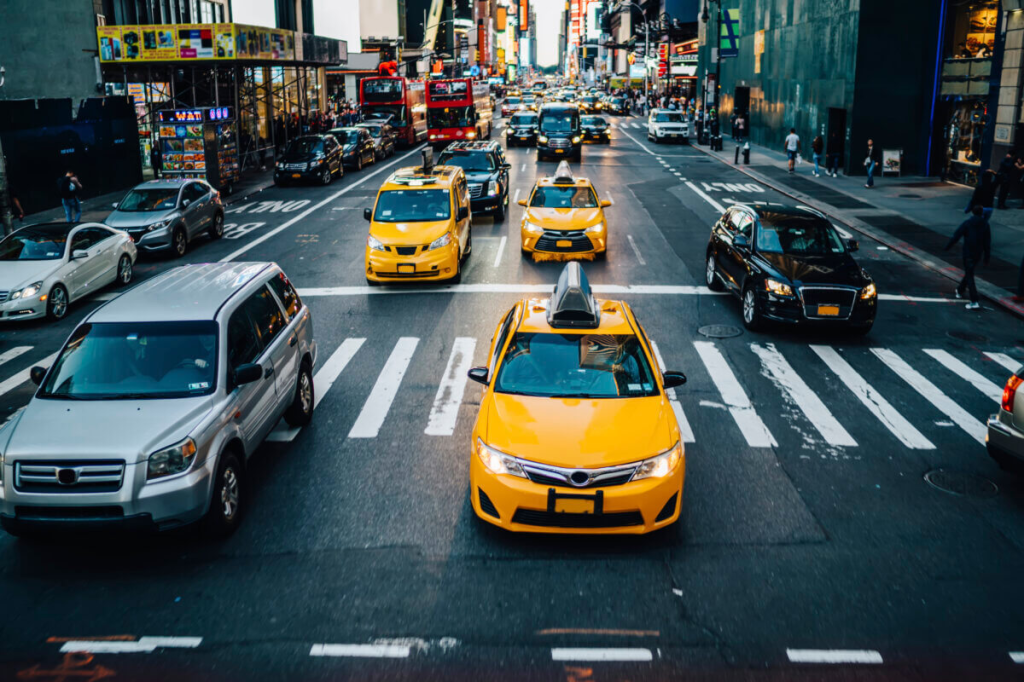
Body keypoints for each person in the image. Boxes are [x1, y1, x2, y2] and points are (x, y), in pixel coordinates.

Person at [945, 204, 991, 310]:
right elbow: (987, 243)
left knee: (970, 275)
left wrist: (947, 247)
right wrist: (986, 258)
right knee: (969, 272)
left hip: (968, 252)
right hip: (978, 254)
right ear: (981, 213)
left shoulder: (968, 223)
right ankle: (960, 290)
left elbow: (956, 235)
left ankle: (974, 300)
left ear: (973, 212)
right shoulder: (985, 225)